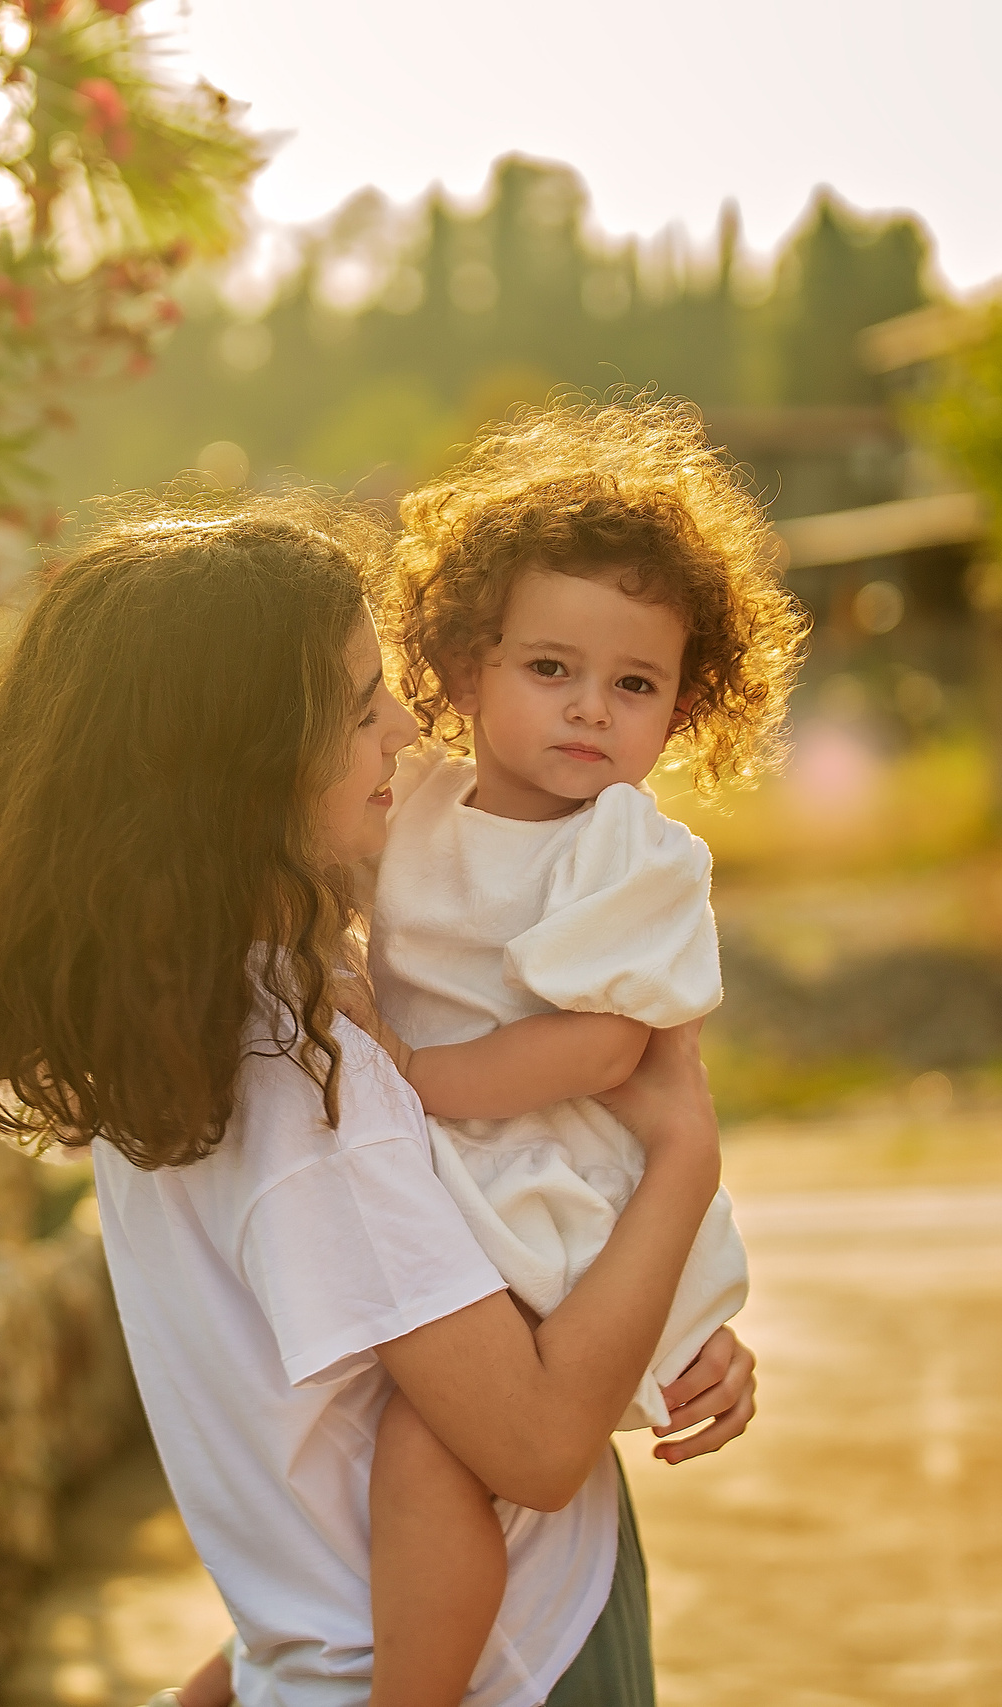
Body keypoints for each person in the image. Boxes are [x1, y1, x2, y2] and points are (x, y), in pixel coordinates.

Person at [0, 490, 757, 1707]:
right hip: (514, 1663)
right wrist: (684, 1157)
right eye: (355, 699)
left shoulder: (178, 1025)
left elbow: (305, 1444)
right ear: (240, 761)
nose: (400, 726)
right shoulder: (315, 1082)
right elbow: (532, 1448)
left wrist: (244, 1671)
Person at [339, 400, 808, 1707]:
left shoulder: (633, 848)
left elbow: (606, 1050)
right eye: (550, 668)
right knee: (394, 1450)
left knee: (439, 1446)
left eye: (635, 684)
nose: (591, 710)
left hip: (552, 1183)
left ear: (687, 704)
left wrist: (415, 1079)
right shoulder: (412, 795)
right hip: (449, 1170)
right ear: (466, 660)